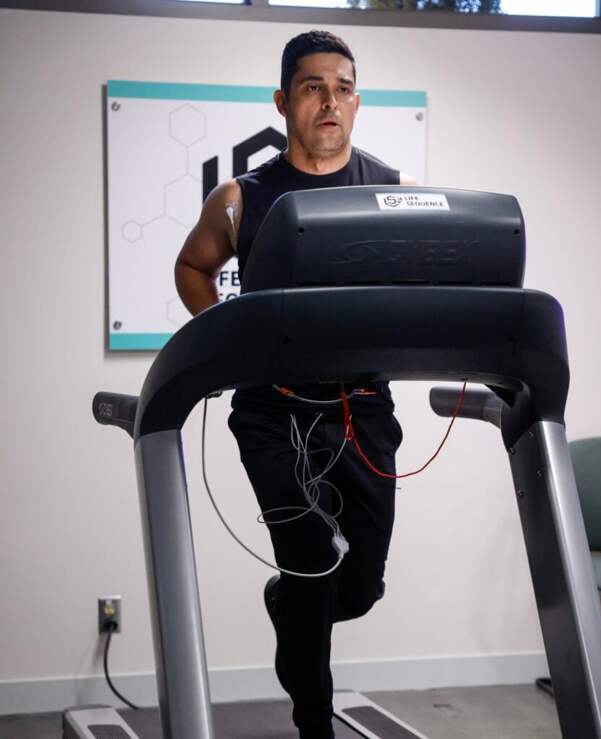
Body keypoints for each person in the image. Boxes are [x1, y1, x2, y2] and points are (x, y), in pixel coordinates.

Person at [176, 30, 416, 739]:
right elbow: (193, 267)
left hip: (363, 406)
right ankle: (315, 721)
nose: (330, 101)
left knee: (360, 583)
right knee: (310, 560)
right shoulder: (241, 199)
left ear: (358, 101)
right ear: (284, 101)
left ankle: (289, 605)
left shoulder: (391, 190)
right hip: (271, 411)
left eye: (343, 88)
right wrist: (229, 335)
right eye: (313, 87)